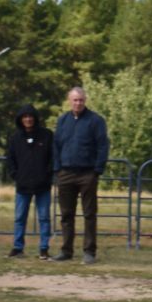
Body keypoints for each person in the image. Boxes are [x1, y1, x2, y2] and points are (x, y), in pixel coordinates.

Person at [52, 87, 108, 263]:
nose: (78, 103)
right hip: (66, 173)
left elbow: (102, 146)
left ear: (85, 100)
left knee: (89, 214)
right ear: (69, 101)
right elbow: (56, 146)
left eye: (81, 100)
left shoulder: (96, 121)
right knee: (66, 215)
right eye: (75, 100)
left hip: (87, 174)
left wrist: (97, 170)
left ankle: (89, 252)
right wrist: (57, 169)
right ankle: (66, 250)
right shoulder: (62, 121)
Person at [5, 104, 55, 259]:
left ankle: (44, 248)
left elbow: (53, 158)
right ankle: (18, 247)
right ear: (20, 119)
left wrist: (48, 175)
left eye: (30, 116)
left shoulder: (47, 135)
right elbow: (10, 159)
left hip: (43, 185)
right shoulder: (14, 139)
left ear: (35, 118)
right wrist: (16, 175)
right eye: (25, 117)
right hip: (23, 186)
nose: (28, 119)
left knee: (44, 218)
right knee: (20, 218)